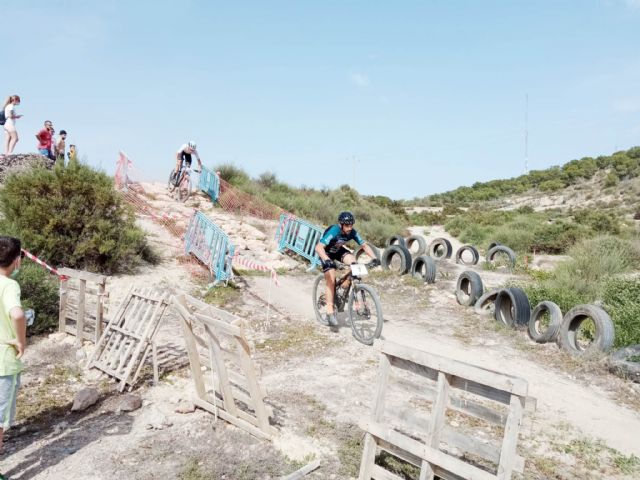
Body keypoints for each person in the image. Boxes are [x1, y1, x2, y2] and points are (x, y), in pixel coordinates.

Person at [314, 211, 379, 326]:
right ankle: (329, 310)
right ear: (341, 224)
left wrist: (375, 258)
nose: (350, 228)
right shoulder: (334, 230)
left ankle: (342, 289)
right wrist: (327, 260)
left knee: (354, 263)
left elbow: (364, 245)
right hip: (326, 253)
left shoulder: (352, 232)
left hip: (338, 250)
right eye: (347, 225)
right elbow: (318, 247)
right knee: (331, 278)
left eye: (351, 225)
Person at [0, 236, 26, 476]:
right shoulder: (9, 285)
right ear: (16, 261)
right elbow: (17, 314)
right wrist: (20, 340)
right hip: (3, 362)